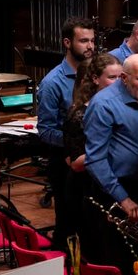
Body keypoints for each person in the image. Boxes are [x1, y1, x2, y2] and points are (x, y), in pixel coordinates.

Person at [82, 54, 138, 272]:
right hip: (118, 192)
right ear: (124, 78)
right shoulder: (103, 104)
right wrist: (123, 199)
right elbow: (95, 160)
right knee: (123, 262)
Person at [37, 16, 95, 253]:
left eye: (92, 40)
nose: (90, 46)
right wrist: (75, 146)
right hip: (64, 163)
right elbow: (46, 130)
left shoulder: (95, 76)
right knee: (67, 225)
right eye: (83, 41)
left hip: (90, 161)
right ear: (67, 43)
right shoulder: (52, 82)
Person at [63, 52, 121, 251]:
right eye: (111, 77)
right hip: (85, 189)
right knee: (94, 248)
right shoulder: (79, 113)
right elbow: (75, 163)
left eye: (120, 77)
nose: (117, 82)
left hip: (110, 184)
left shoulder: (121, 107)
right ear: (96, 79)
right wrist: (115, 148)